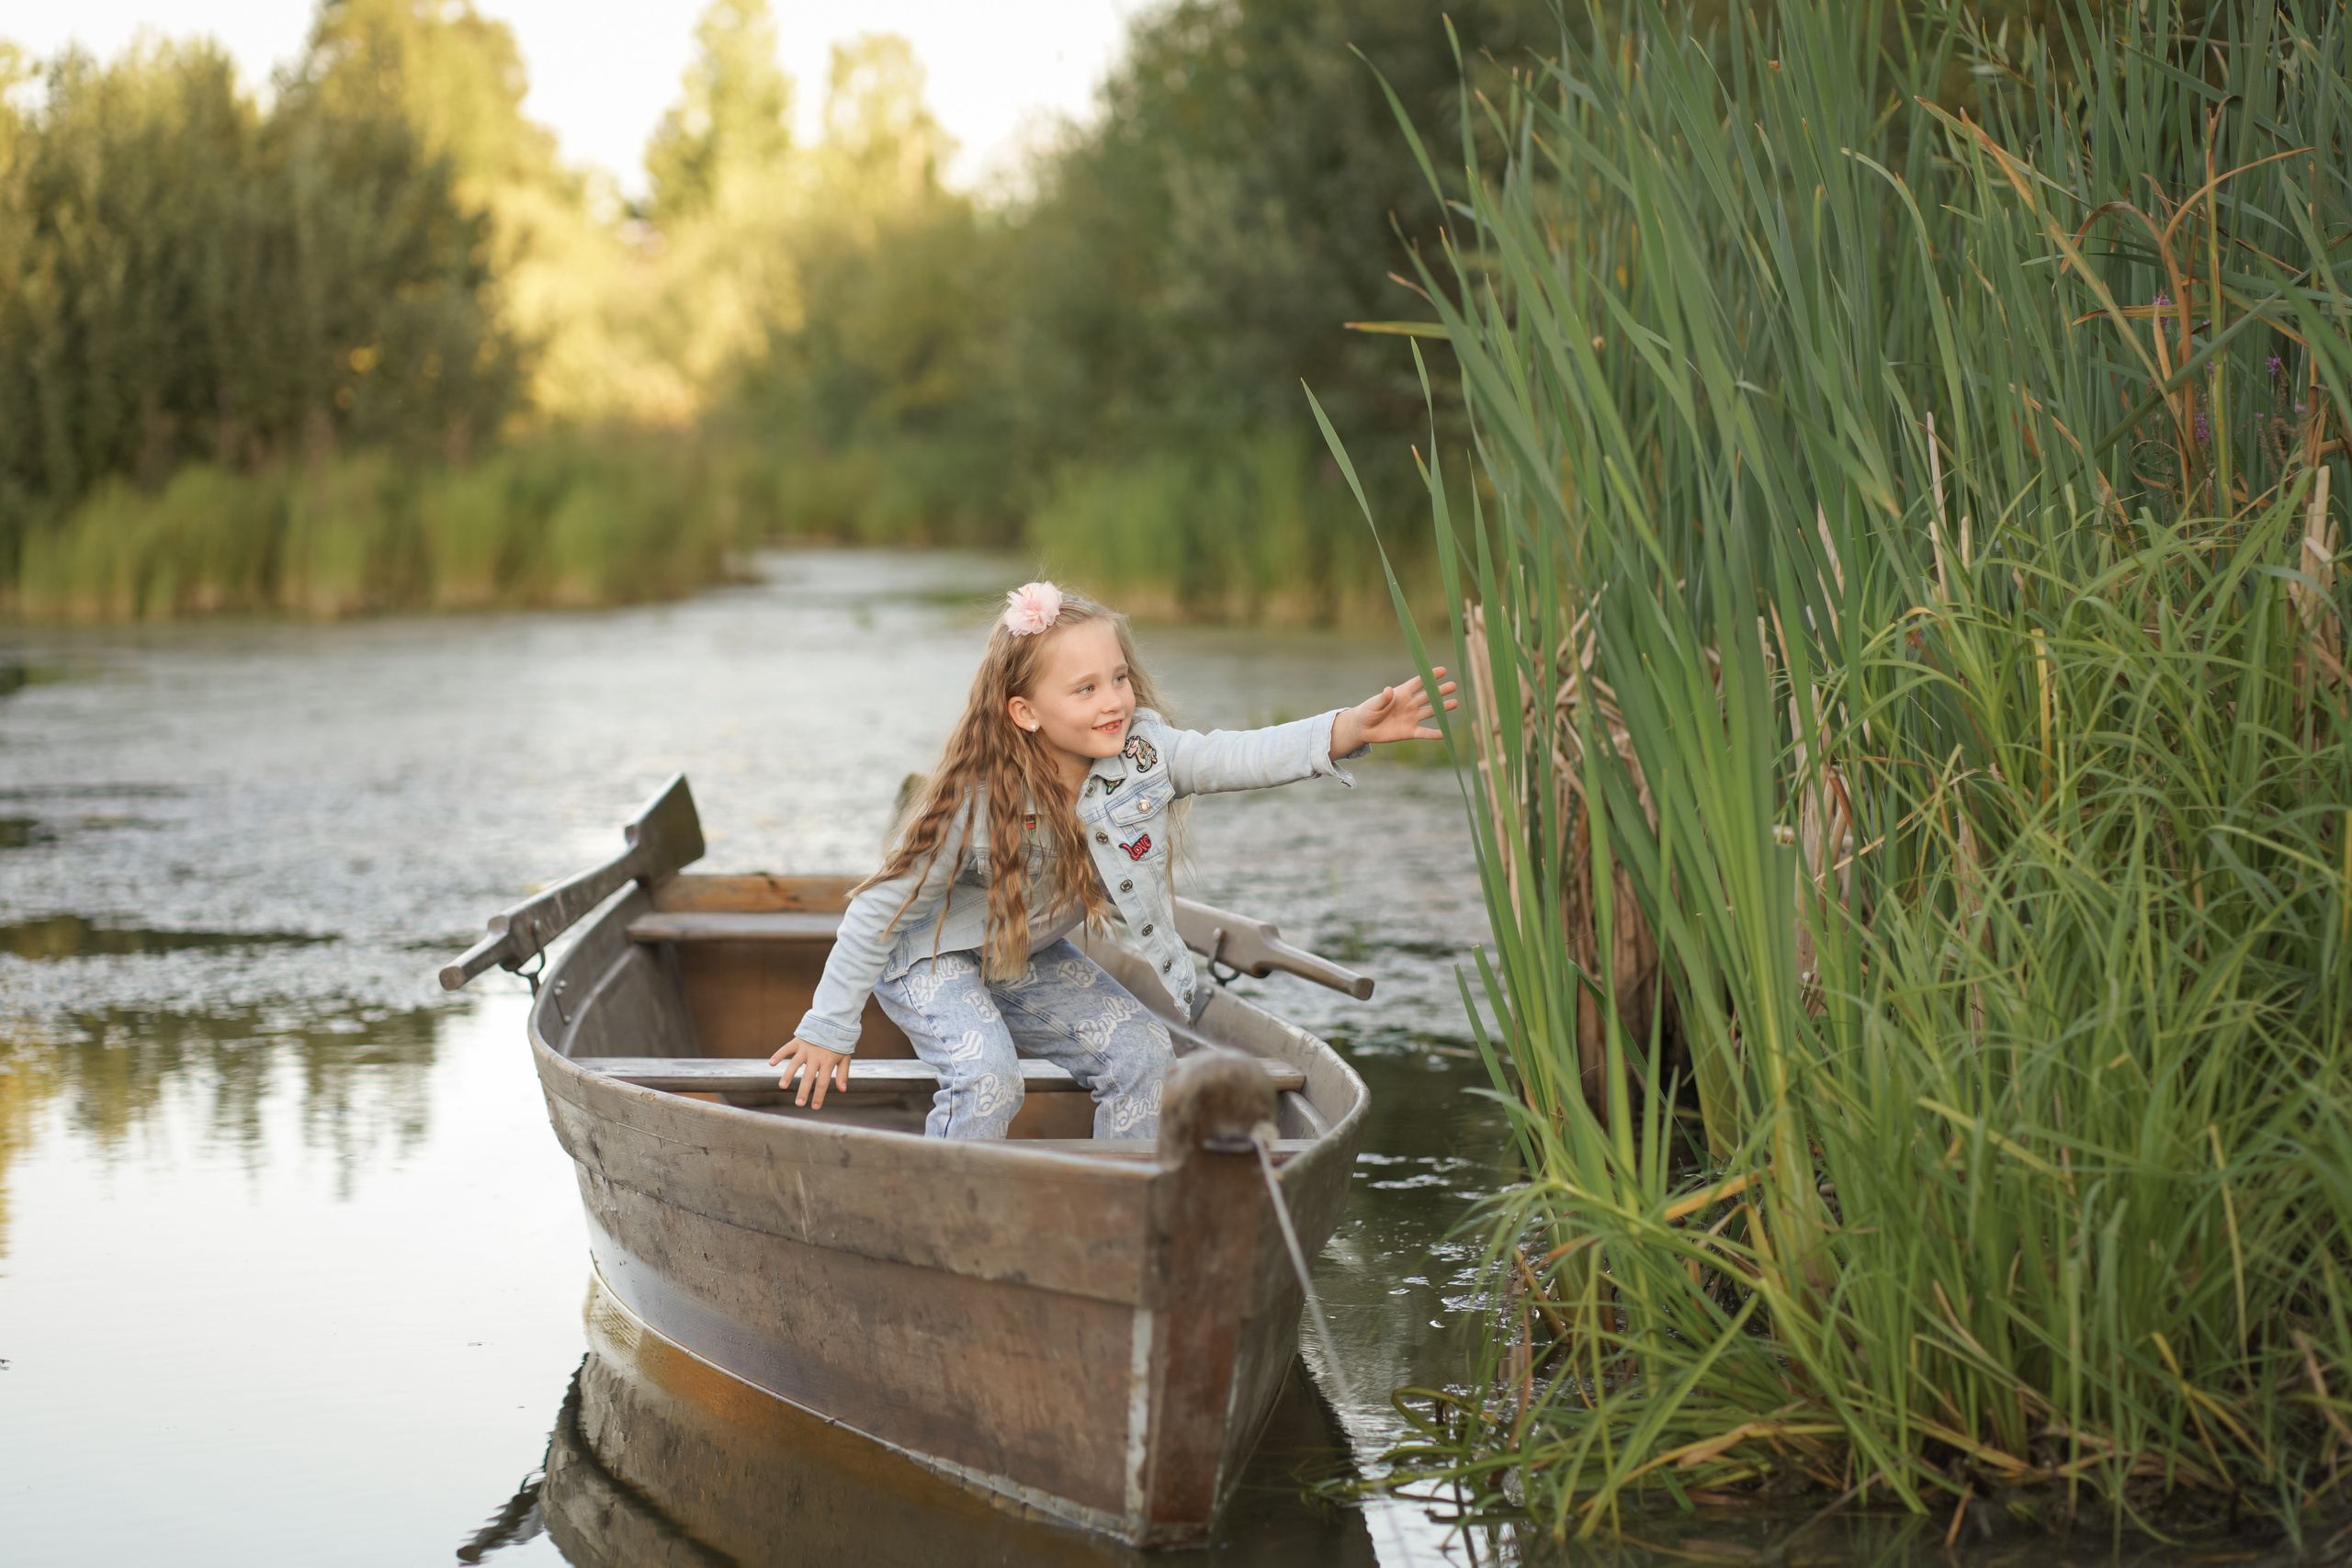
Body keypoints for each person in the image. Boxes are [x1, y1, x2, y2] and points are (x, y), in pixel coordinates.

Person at [768, 581, 1456, 1140]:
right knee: (988, 1076)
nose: (1115, 701)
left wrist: (1341, 732)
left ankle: (1113, 1216)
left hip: (1021, 955)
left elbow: (1236, 753)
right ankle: (949, 1223)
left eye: (1119, 678)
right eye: (1086, 689)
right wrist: (829, 1029)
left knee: (1146, 1054)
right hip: (929, 954)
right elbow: (877, 910)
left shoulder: (1145, 757)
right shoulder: (973, 800)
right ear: (1026, 711)